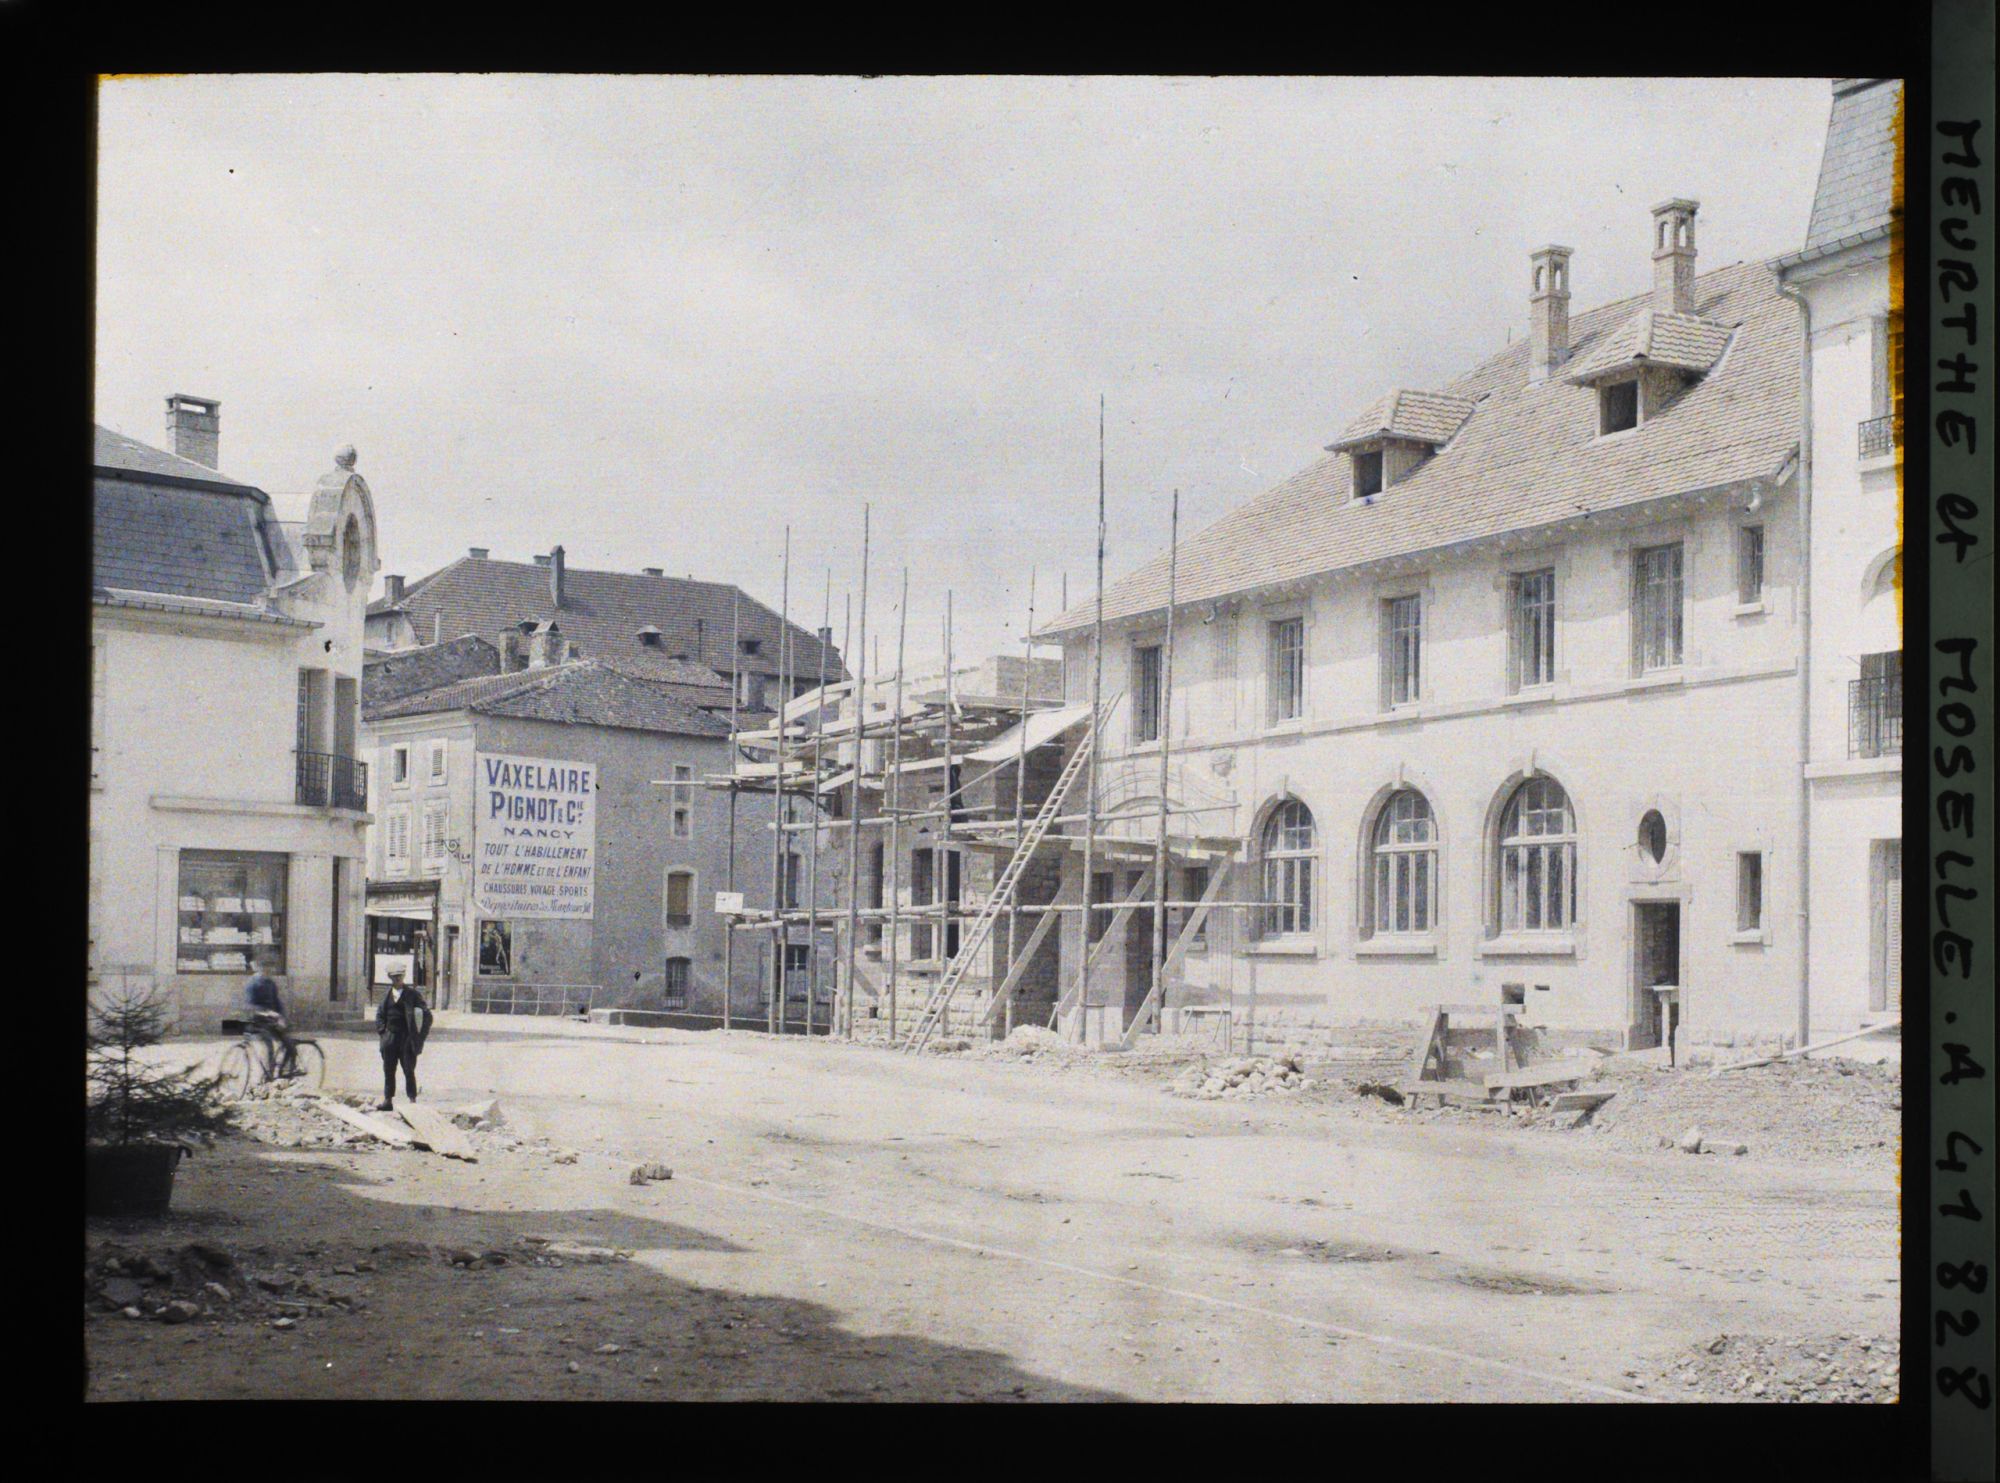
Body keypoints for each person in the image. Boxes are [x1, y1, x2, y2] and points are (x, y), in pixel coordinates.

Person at [375, 966, 432, 1111]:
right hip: (390, 1038)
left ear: (404, 976)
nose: (398, 978)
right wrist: (383, 1032)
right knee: (388, 1069)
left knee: (409, 1069)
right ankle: (388, 1100)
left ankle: (412, 1100)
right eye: (394, 976)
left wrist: (419, 1036)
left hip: (407, 1038)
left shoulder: (413, 995)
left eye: (400, 975)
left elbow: (427, 1016)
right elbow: (380, 1015)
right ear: (389, 977)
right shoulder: (386, 995)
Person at [243, 954, 299, 1079]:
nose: (268, 971)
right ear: (259, 968)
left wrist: (282, 1017)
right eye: (265, 968)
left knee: (289, 1043)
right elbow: (250, 1005)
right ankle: (268, 1075)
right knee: (269, 1045)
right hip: (257, 1022)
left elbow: (277, 1003)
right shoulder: (253, 983)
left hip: (271, 1021)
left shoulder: (270, 983)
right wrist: (267, 1013)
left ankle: (285, 1072)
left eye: (270, 968)